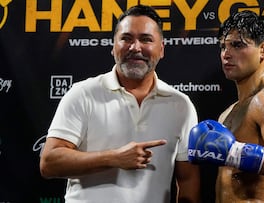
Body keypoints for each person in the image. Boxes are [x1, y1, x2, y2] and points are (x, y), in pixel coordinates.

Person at [40, 5, 200, 203]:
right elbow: (49, 163)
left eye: (146, 39)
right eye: (126, 38)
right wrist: (113, 158)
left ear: (161, 49)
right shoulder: (82, 94)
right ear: (113, 46)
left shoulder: (181, 105)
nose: (135, 47)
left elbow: (187, 179)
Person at [188, 10, 264, 203]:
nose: (226, 54)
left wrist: (233, 152)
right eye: (222, 47)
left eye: (237, 45)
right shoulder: (228, 113)